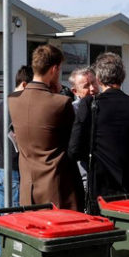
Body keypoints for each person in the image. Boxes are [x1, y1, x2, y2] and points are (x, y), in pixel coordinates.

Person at [69, 52, 129, 213]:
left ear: (98, 79)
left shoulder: (90, 106)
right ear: (123, 77)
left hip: (101, 192)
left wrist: (94, 156)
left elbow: (74, 150)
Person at [8, 44, 80, 209]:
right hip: (58, 190)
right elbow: (73, 144)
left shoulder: (13, 100)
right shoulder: (61, 102)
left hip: (27, 190)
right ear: (54, 69)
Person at [0, 65, 32, 209]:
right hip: (12, 169)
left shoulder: (4, 103)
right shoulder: (18, 103)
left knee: (4, 220)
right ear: (24, 84)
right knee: (14, 219)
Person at [68, 67, 99, 194]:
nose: (92, 88)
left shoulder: (105, 103)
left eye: (94, 83)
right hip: (83, 167)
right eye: (86, 86)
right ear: (75, 91)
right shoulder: (72, 110)